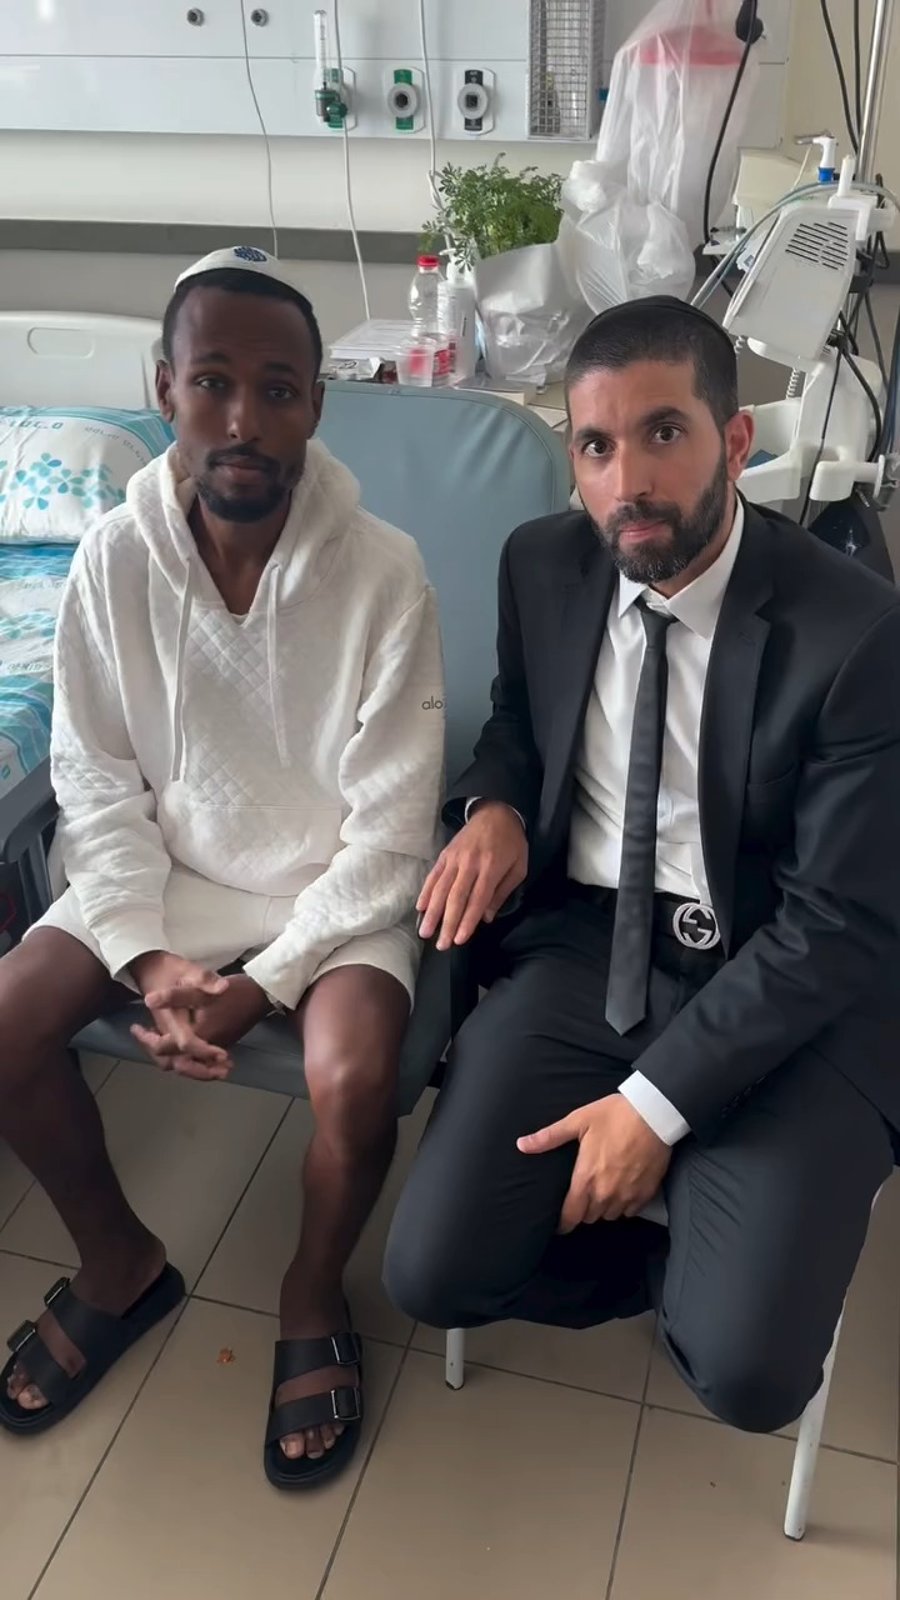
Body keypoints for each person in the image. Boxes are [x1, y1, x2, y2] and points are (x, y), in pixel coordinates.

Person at [385, 296, 900, 1434]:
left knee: (750, 1377)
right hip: (588, 947)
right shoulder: (541, 564)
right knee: (430, 1273)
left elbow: (838, 925)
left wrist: (652, 1110)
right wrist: (495, 805)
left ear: (737, 440)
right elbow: (517, 718)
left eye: (664, 433)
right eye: (595, 446)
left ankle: (714, 1229)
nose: (628, 483)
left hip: (778, 979)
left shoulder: (857, 632)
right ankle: (672, 1261)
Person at [0, 246, 444, 1488]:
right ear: (164, 389)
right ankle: (117, 1264)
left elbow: (390, 836)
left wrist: (264, 984)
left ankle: (311, 1289)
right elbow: (95, 783)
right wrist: (146, 956)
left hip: (332, 887)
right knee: (5, 1023)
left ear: (316, 405)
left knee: (355, 1078)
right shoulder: (111, 560)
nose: (244, 419)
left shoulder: (386, 572)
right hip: (169, 877)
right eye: (212, 382)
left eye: (279, 389)